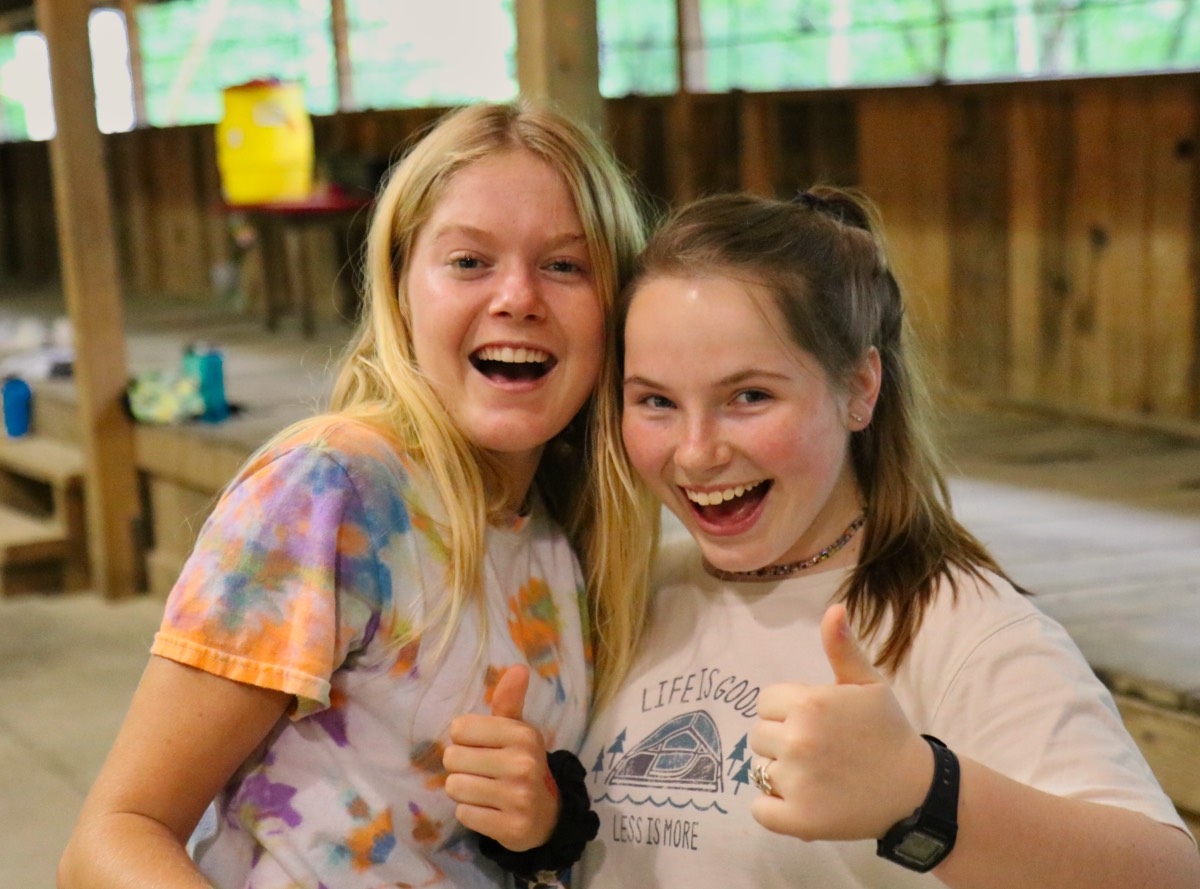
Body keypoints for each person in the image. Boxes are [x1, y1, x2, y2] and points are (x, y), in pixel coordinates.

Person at [57, 101, 652, 889]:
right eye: (470, 262)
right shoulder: (332, 489)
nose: (518, 297)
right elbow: (111, 839)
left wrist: (538, 816)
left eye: (565, 265)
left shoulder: (557, 531)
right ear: (402, 289)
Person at [577, 189, 1200, 888]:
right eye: (655, 400)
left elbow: (1169, 872)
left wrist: (922, 793)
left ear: (860, 388)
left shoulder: (957, 626)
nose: (695, 452)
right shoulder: (637, 586)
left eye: (749, 396)